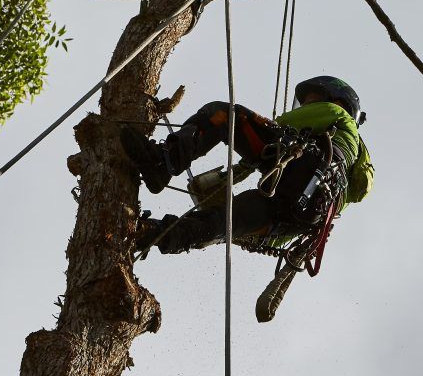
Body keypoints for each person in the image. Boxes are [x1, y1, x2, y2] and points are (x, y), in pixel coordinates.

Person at [121, 76, 374, 255]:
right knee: (223, 223)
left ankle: (164, 161)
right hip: (298, 214)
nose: (309, 106)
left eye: (313, 101)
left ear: (337, 101)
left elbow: (283, 124)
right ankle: (149, 233)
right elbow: (281, 238)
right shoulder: (345, 183)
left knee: (225, 116)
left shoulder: (337, 115)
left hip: (304, 167)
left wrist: (246, 157)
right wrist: (254, 232)